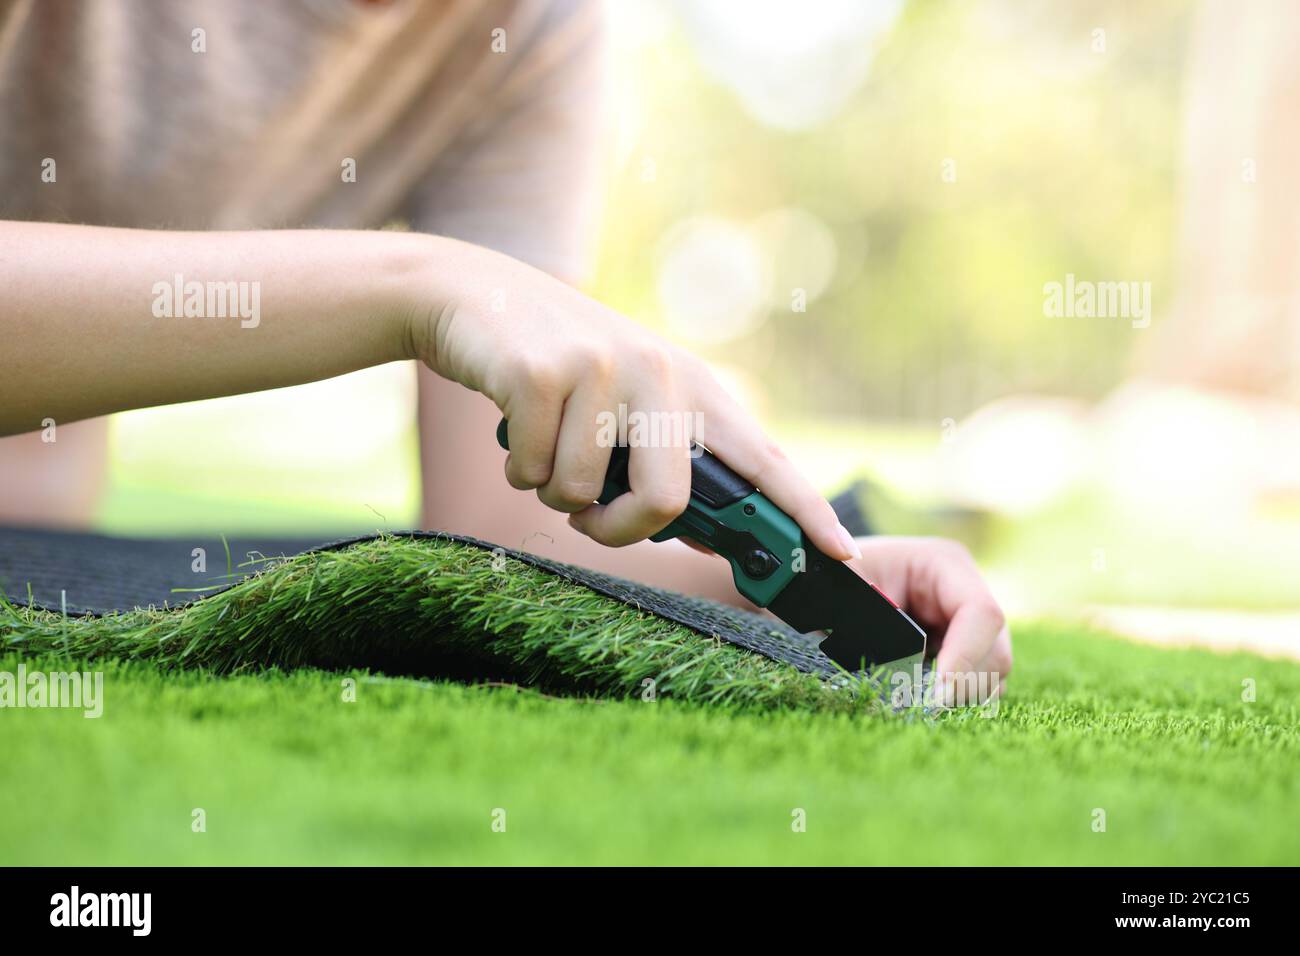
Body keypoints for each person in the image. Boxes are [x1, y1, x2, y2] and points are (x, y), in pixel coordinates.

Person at [0, 0, 1010, 700]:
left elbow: (495, 517)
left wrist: (798, 581)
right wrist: (419, 286)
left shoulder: (531, 26)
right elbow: (447, 296)